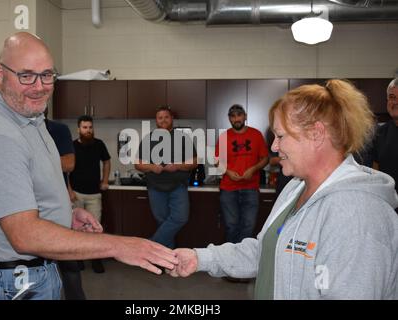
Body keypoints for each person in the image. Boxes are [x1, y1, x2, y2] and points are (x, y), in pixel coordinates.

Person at [0, 32, 178, 300]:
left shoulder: (28, 117)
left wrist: (64, 213)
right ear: (0, 74)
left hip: (33, 274)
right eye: (26, 75)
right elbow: (24, 235)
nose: (39, 86)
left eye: (47, 75)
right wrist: (120, 246)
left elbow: (30, 190)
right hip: (8, 285)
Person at [168, 79, 398, 299]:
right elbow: (267, 252)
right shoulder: (295, 189)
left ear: (316, 134)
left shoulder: (358, 214)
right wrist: (201, 258)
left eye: (280, 136)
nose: (274, 146)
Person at [135, 105, 197, 249]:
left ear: (172, 119)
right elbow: (138, 164)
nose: (163, 120)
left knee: (180, 218)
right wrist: (152, 167)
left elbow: (194, 162)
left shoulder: (183, 138)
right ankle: (168, 261)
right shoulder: (149, 138)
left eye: (166, 117)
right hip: (155, 187)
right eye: (160, 118)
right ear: (156, 120)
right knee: (162, 222)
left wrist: (177, 166)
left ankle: (150, 246)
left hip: (178, 186)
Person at [45, 116, 86, 300]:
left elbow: (69, 164)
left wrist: (32, 160)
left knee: (69, 265)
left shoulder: (58, 129)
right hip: (27, 207)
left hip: (56, 207)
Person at [215, 104, 269, 243]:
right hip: (228, 188)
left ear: (245, 116)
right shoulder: (224, 136)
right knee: (231, 226)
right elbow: (216, 161)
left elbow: (265, 159)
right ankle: (229, 260)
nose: (236, 119)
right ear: (229, 119)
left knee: (248, 227)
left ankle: (242, 260)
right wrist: (228, 171)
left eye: (239, 115)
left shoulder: (255, 134)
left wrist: (253, 169)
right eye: (233, 116)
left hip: (251, 188)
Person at [69, 115, 110, 273]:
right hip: (76, 194)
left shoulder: (99, 144)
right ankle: (77, 259)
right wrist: (69, 190)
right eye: (85, 127)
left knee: (95, 228)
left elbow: (106, 162)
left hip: (94, 194)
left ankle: (96, 260)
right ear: (78, 129)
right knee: (76, 229)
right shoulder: (71, 146)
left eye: (90, 127)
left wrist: (105, 180)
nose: (88, 130)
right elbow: (65, 171)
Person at [371, 78, 398, 196]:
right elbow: (376, 172)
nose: (396, 102)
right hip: (389, 204)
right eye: (392, 97)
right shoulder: (380, 133)